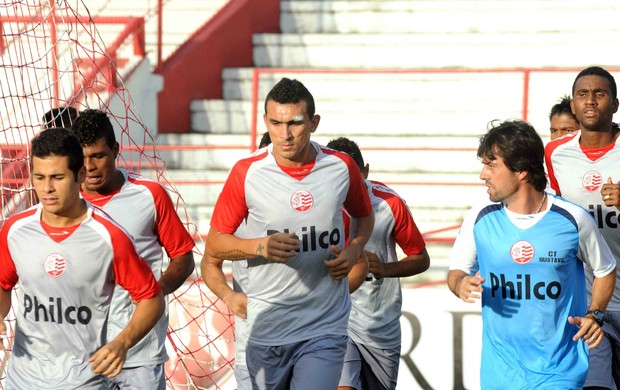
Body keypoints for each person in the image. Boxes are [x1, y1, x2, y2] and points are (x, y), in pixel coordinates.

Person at [203, 77, 374, 389]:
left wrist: (354, 249)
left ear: (313, 122)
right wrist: (260, 247)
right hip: (266, 329)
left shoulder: (340, 166)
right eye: (275, 123)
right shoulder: (247, 172)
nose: (284, 134)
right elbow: (214, 247)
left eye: (295, 123)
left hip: (323, 327)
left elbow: (364, 215)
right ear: (265, 121)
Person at [449, 120, 616, 389]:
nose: (483, 174)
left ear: (522, 171)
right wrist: (459, 284)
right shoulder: (480, 217)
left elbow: (605, 270)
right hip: (499, 372)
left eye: (491, 165)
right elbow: (456, 270)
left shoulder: (572, 219)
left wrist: (595, 314)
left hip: (559, 370)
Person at [0, 127, 165, 389]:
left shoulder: (109, 237)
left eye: (57, 177)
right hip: (23, 380)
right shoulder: (16, 230)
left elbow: (151, 298)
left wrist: (122, 342)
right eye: (39, 177)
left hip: (84, 381)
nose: (47, 188)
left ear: (79, 175)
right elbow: (3, 284)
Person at [70, 109, 196, 389]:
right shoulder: (63, 202)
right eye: (82, 157)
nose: (88, 167)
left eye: (98, 156)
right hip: (80, 355)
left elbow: (183, 259)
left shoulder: (149, 194)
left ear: (115, 150)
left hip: (139, 352)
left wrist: (155, 294)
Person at [326, 137, 430, 390]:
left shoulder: (389, 204)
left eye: (353, 178)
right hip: (338, 322)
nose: (346, 188)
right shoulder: (319, 206)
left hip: (379, 326)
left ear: (366, 171)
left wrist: (385, 268)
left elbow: (421, 258)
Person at [545, 66, 620, 390]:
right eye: (582, 94)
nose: (591, 101)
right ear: (573, 106)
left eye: (600, 94)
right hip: (591, 301)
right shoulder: (555, 154)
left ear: (615, 104)